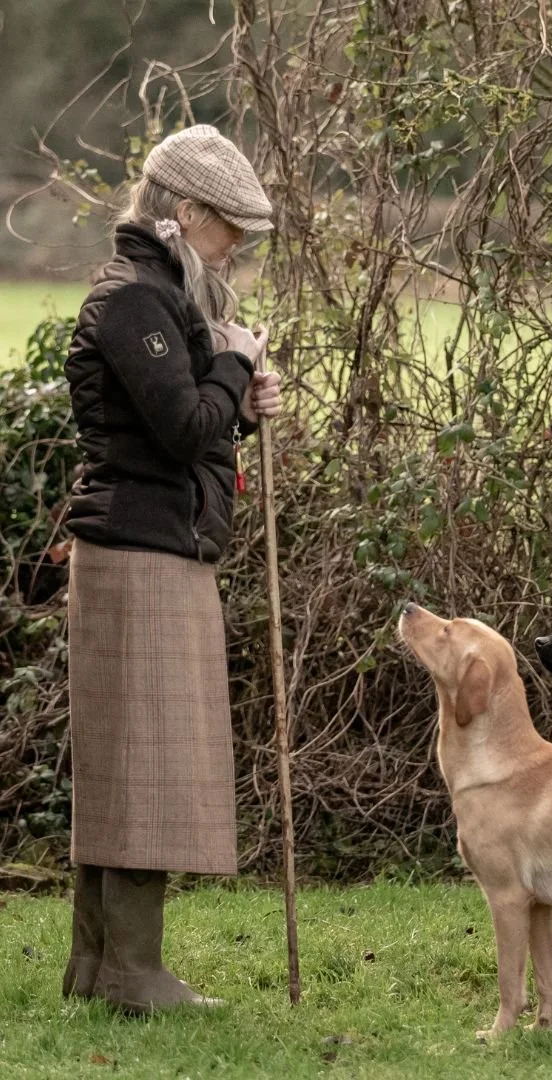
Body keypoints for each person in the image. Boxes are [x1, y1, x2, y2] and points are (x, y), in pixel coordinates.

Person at [61, 124, 283, 1013]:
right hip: (139, 552)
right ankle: (131, 972)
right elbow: (187, 428)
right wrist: (231, 364)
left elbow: (197, 419)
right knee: (145, 763)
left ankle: (97, 967)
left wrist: (243, 399)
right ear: (185, 212)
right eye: (229, 228)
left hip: (153, 545)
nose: (235, 247)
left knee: (128, 760)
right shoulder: (132, 301)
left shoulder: (162, 295)